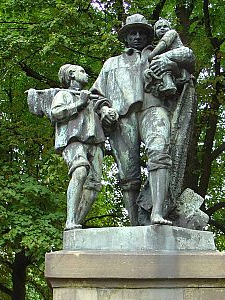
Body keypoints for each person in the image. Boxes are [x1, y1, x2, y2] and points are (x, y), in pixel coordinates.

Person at [93, 14, 195, 226]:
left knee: (159, 153)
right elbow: (96, 93)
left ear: (149, 35)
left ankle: (157, 213)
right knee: (128, 174)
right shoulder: (112, 63)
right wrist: (103, 109)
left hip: (155, 108)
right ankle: (133, 224)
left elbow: (184, 76)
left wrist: (170, 65)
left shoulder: (164, 53)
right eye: (133, 33)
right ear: (126, 37)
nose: (137, 36)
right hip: (123, 117)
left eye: (142, 32)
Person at [50, 64, 118, 230]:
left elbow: (103, 113)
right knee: (80, 171)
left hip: (95, 143)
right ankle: (70, 220)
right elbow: (56, 113)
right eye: (82, 71)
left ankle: (75, 225)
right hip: (73, 141)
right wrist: (79, 103)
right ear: (72, 75)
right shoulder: (63, 94)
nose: (86, 75)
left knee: (94, 185)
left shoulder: (92, 98)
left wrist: (109, 114)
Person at [145, 18, 186, 98]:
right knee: (161, 65)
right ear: (155, 33)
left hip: (184, 53)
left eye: (165, 26)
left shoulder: (171, 33)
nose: (162, 28)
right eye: (158, 27)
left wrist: (151, 56)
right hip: (175, 59)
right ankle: (169, 84)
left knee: (157, 60)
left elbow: (163, 44)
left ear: (170, 28)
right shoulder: (164, 52)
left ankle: (169, 84)